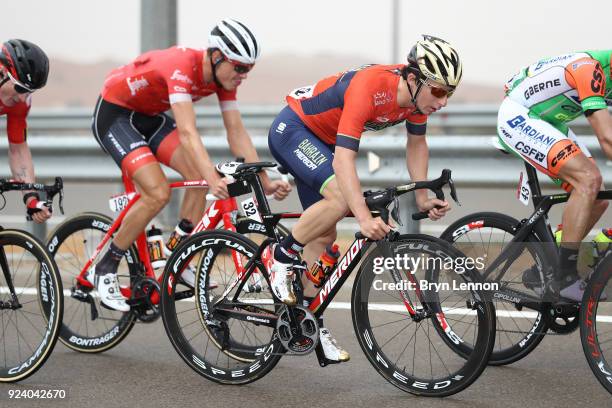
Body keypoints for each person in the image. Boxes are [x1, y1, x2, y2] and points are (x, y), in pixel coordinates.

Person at [266, 35, 462, 361]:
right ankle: (282, 255)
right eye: (439, 91)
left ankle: (304, 318)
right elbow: (344, 161)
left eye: (449, 93)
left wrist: (423, 196)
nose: (442, 102)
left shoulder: (416, 100)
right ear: (413, 79)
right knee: (342, 201)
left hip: (323, 143)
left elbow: (417, 144)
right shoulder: (371, 87)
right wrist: (362, 218)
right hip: (295, 129)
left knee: (324, 234)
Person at [91, 18, 291, 311]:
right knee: (158, 192)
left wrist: (265, 179)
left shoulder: (224, 79)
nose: (244, 75)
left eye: (249, 69)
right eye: (239, 67)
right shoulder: (182, 67)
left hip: (148, 116)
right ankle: (106, 266)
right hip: (115, 115)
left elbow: (236, 131)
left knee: (198, 177)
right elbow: (187, 132)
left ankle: (178, 255)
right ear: (217, 56)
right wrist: (213, 178)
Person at [497, 50, 612, 301]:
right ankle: (564, 277)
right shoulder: (590, 69)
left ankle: (552, 258)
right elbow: (606, 138)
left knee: (599, 195)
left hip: (549, 122)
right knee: (588, 179)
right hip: (519, 116)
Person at [0, 39, 52, 223]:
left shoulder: (20, 103)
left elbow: (18, 149)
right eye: (21, 88)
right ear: (3, 73)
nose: (23, 97)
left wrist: (30, 198)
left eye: (29, 91)